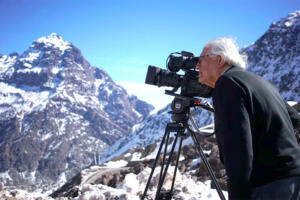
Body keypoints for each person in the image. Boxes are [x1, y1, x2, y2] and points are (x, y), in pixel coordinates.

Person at [195, 37, 300, 200]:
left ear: (220, 59)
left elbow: (237, 147)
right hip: (292, 178)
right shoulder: (259, 81)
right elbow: (294, 118)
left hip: (269, 185)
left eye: (200, 59)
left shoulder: (227, 83)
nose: (196, 66)